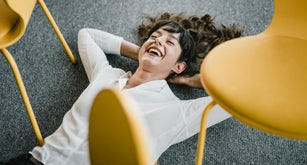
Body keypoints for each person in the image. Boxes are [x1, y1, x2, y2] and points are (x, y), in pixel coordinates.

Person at [2, 12, 242, 165]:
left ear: (179, 66)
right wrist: (141, 52)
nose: (158, 40)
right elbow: (87, 36)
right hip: (36, 160)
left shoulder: (176, 112)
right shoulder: (106, 74)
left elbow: (235, 100)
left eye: (169, 42)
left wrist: (192, 81)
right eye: (155, 36)